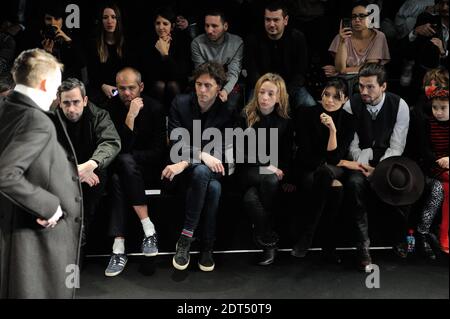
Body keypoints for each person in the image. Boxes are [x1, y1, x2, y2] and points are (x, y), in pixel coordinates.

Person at [0, 48, 82, 298]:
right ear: (46, 83)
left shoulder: (6, 107)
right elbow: (5, 174)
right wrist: (49, 206)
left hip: (20, 234)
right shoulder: (37, 120)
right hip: (37, 239)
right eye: (57, 89)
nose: (58, 98)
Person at [162, 62, 237, 272]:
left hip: (211, 170)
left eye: (208, 86)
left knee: (207, 176)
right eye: (199, 84)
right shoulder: (181, 102)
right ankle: (207, 246)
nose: (202, 90)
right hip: (184, 174)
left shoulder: (227, 111)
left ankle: (185, 237)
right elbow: (176, 143)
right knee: (212, 187)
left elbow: (221, 153)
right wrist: (201, 155)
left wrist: (187, 160)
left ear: (219, 87)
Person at [342, 62, 410, 270]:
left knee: (400, 182)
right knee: (354, 185)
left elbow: (397, 146)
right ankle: (363, 246)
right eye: (361, 86)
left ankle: (399, 237)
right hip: (359, 163)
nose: (364, 91)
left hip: (388, 160)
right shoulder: (350, 105)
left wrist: (378, 170)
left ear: (383, 86)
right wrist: (364, 165)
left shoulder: (400, 105)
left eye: (370, 86)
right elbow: (351, 145)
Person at [104, 67, 166, 277]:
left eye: (131, 88)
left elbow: (158, 152)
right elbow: (114, 148)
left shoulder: (155, 108)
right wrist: (130, 117)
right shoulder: (110, 108)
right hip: (122, 165)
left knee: (118, 177)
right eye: (122, 88)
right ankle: (148, 229)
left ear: (141, 87)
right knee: (120, 166)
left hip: (147, 169)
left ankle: (118, 248)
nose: (127, 93)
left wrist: (130, 156)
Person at [290, 78, 358, 263]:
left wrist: (333, 131)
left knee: (327, 173)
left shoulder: (349, 120)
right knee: (334, 188)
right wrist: (325, 163)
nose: (330, 100)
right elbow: (304, 151)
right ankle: (329, 245)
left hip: (333, 168)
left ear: (345, 99)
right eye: (326, 95)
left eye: (336, 97)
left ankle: (307, 236)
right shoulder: (306, 114)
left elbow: (335, 158)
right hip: (310, 168)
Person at [56, 78, 121, 247]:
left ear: (85, 101)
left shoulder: (99, 115)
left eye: (76, 102)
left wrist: (91, 164)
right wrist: (73, 172)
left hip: (90, 170)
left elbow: (111, 142)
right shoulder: (50, 119)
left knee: (99, 173)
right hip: (60, 171)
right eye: (66, 103)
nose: (71, 109)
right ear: (59, 103)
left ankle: (82, 227)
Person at [236, 73, 293, 266]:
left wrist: (284, 174)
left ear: (279, 97)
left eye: (270, 93)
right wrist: (265, 164)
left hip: (272, 173)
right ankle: (271, 238)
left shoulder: (284, 120)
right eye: (261, 92)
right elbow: (237, 153)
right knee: (269, 178)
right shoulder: (245, 115)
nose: (265, 97)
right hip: (246, 170)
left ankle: (266, 239)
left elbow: (286, 154)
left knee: (251, 198)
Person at [407, 71, 449, 256]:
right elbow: (424, 150)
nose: (438, 112)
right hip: (432, 166)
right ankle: (426, 233)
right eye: (429, 84)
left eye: (437, 84)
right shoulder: (423, 117)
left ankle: (437, 234)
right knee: (441, 188)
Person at [245, 1, 316, 109]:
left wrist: (284, 93)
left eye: (276, 20)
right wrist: (266, 91)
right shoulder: (253, 39)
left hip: (289, 87)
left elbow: (300, 72)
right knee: (249, 110)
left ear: (285, 20)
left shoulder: (297, 38)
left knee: (309, 104)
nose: (271, 24)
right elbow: (252, 71)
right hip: (261, 87)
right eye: (268, 20)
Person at [325, 1, 390, 95]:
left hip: (368, 81)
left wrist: (341, 70)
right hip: (345, 82)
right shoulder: (342, 36)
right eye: (354, 16)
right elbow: (340, 68)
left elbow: (370, 68)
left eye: (362, 16)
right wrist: (342, 41)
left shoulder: (378, 36)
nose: (357, 20)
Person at [138, 7, 192, 114]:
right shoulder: (148, 42)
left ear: (172, 26)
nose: (161, 27)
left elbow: (180, 74)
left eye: (165, 24)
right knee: (160, 85)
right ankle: (158, 118)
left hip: (177, 84)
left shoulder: (182, 40)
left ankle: (176, 118)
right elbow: (150, 74)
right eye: (158, 23)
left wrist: (165, 54)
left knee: (173, 85)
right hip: (154, 85)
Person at [191, 9, 244, 111]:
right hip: (205, 82)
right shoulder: (197, 43)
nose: (209, 30)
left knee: (230, 106)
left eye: (214, 26)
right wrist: (212, 90)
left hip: (227, 82)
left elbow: (234, 72)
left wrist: (225, 91)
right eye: (207, 26)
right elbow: (202, 72)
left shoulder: (237, 43)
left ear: (225, 26)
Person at [87, 3, 128, 106]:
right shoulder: (94, 44)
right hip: (101, 88)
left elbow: (130, 70)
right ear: (101, 21)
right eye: (105, 17)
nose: (109, 21)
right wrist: (103, 86)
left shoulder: (126, 43)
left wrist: (121, 88)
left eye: (113, 17)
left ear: (118, 20)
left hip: (122, 87)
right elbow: (92, 74)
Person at [39, 5, 86, 82]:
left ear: (62, 21)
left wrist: (69, 42)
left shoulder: (71, 38)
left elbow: (82, 64)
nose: (53, 23)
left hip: (67, 82)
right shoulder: (38, 39)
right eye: (48, 19)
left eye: (57, 19)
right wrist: (46, 54)